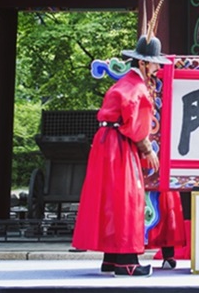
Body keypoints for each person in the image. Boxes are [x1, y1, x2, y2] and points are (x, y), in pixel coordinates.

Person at [72, 34, 170, 277]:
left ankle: (111, 258)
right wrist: (147, 149)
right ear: (143, 64)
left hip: (106, 143)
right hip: (120, 144)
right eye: (155, 63)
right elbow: (135, 125)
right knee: (128, 199)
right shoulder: (137, 88)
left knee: (111, 198)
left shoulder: (125, 83)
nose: (157, 68)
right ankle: (127, 261)